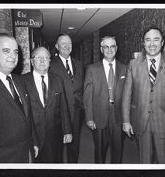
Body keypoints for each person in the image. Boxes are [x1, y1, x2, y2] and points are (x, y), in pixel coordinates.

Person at [0, 33, 39, 163]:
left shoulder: (19, 81)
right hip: (3, 161)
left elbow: (27, 115)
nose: (13, 56)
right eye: (6, 51)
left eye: (15, 52)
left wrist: (33, 141)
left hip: (26, 154)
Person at [122, 26, 165, 164]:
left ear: (162, 42)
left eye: (156, 40)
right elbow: (127, 95)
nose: (152, 44)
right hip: (141, 122)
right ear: (143, 43)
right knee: (145, 162)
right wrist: (126, 121)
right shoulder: (133, 64)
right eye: (148, 40)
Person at [21, 47, 72, 163]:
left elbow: (64, 106)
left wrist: (67, 130)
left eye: (46, 58)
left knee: (56, 163)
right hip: (32, 136)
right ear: (32, 61)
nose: (43, 61)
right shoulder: (22, 81)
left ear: (50, 62)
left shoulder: (58, 80)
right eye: (38, 57)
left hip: (55, 134)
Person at [83, 36, 127, 163]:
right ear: (101, 49)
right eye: (106, 47)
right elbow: (87, 95)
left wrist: (127, 119)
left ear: (116, 48)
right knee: (100, 152)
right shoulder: (92, 69)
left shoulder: (124, 68)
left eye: (112, 46)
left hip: (118, 116)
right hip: (98, 116)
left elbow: (128, 94)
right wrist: (89, 118)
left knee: (118, 151)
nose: (109, 49)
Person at [49, 34, 84, 163]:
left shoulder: (79, 64)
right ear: (57, 46)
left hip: (76, 111)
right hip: (58, 112)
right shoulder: (50, 65)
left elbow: (81, 87)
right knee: (58, 145)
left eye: (69, 43)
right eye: (63, 43)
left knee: (74, 145)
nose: (67, 46)